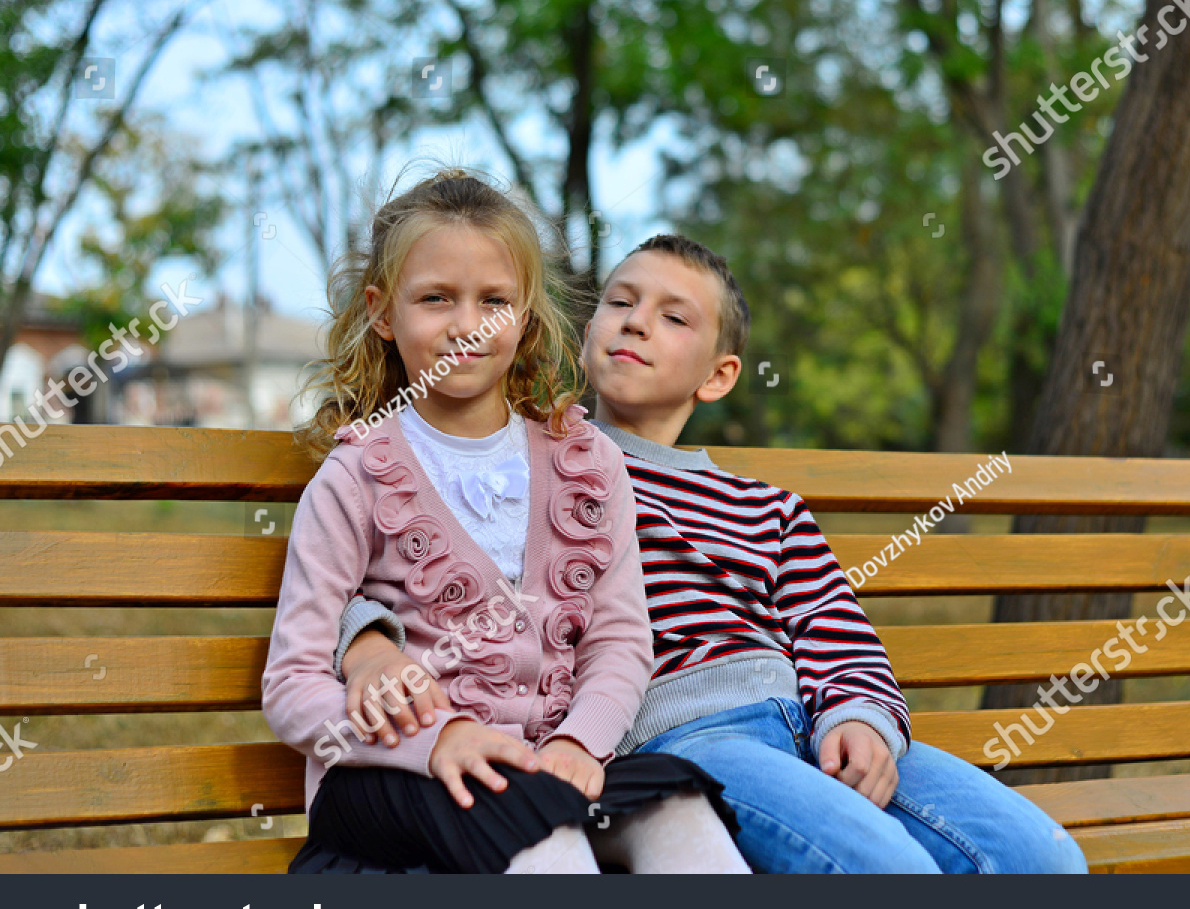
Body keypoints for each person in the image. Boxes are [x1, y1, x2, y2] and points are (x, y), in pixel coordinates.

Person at [337, 232, 1088, 874]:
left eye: (672, 317)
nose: (635, 324)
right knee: (888, 868)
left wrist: (860, 715)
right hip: (681, 738)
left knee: (1045, 859)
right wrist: (368, 641)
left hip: (806, 721)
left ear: (720, 374)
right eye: (621, 302)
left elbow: (833, 626)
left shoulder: (768, 505)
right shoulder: (540, 459)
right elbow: (403, 548)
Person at [261, 173, 748, 874]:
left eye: (494, 300)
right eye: (436, 298)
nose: (468, 323)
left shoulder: (587, 463)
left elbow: (619, 637)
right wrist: (438, 738)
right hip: (393, 774)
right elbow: (292, 684)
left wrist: (580, 742)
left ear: (524, 315)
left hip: (542, 761)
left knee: (680, 811)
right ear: (382, 311)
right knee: (545, 836)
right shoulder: (358, 477)